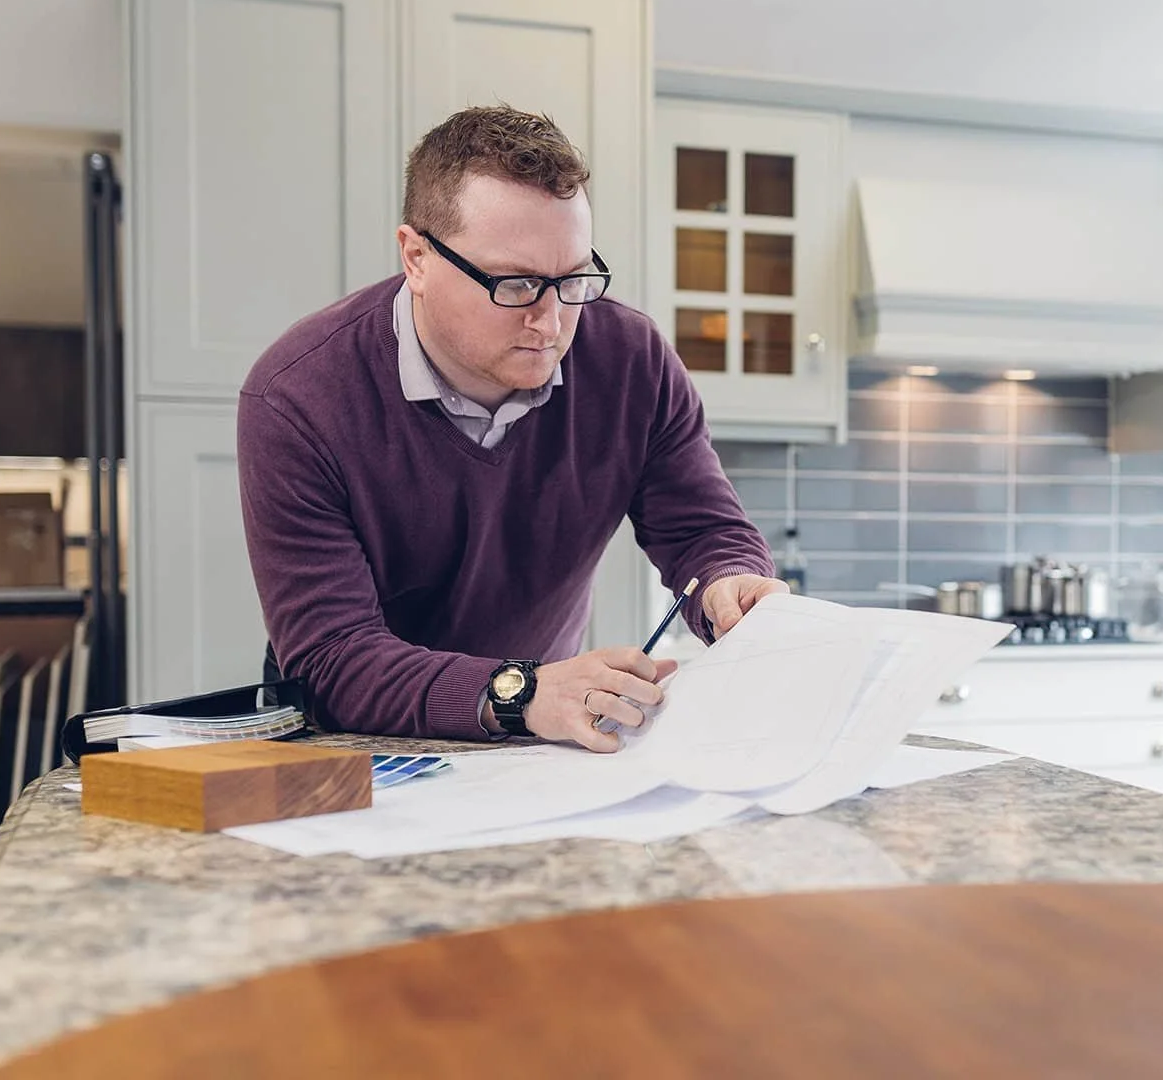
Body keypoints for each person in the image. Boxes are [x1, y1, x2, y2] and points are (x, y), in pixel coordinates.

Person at [236, 106, 784, 749]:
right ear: (416, 257)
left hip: (535, 731)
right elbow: (333, 658)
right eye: (517, 283)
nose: (551, 321)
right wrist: (524, 690)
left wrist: (729, 580)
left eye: (574, 277)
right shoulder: (297, 398)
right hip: (359, 743)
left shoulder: (631, 359)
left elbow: (703, 530)